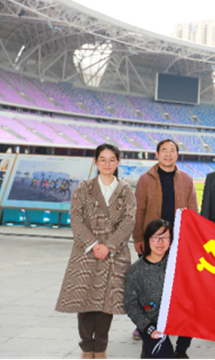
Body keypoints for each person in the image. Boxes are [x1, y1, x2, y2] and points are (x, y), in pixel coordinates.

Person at [55, 144, 136, 360]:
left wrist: (109, 245)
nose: (107, 164)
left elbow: (129, 221)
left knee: (106, 304)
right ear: (96, 162)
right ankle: (86, 347)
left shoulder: (126, 190)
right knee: (85, 301)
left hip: (114, 254)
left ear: (118, 162)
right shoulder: (83, 188)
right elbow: (76, 218)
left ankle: (100, 348)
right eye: (103, 159)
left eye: (112, 160)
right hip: (86, 253)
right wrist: (93, 244)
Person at [132, 138, 197, 346]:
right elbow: (138, 211)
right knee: (149, 284)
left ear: (177, 154)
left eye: (172, 150)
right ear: (157, 154)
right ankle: (144, 323)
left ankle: (170, 321)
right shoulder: (145, 179)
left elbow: (193, 212)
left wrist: (191, 240)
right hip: (152, 240)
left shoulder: (186, 179)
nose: (168, 154)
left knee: (174, 284)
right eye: (164, 150)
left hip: (177, 241)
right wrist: (138, 238)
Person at [124, 219, 189, 360]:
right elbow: (130, 304)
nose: (161, 242)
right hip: (151, 323)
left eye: (165, 237)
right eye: (156, 237)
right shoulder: (136, 271)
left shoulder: (177, 263)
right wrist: (148, 327)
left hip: (177, 318)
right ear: (148, 239)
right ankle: (149, 352)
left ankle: (181, 352)